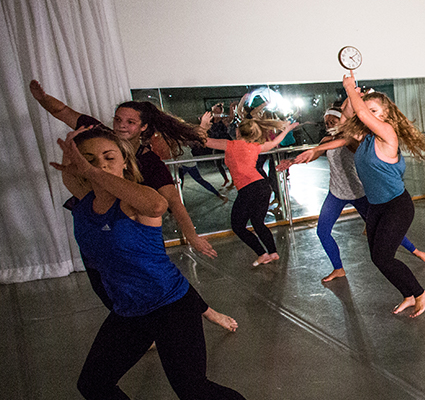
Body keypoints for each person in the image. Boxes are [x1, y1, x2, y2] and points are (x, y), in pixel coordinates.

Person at [29, 81, 238, 332]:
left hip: (134, 228)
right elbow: (63, 111)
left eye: (130, 122)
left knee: (161, 278)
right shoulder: (101, 137)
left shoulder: (149, 162)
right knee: (104, 281)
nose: (121, 126)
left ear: (143, 127)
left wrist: (191, 235)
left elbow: (171, 201)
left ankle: (207, 311)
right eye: (118, 120)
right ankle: (137, 327)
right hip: (98, 223)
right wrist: (42, 98)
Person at [52, 126, 244, 400]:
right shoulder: (85, 201)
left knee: (193, 390)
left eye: (109, 157)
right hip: (128, 311)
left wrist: (93, 171)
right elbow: (71, 175)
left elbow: (158, 206)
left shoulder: (136, 201)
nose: (101, 165)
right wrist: (71, 157)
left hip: (171, 308)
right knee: (93, 384)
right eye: (90, 159)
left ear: (124, 161)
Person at [292, 71, 425, 317]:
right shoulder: (366, 137)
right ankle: (409, 295)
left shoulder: (388, 136)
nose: (368, 115)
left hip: (396, 205)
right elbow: (350, 121)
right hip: (376, 206)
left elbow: (359, 113)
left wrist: (350, 88)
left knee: (383, 257)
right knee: (377, 257)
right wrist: (315, 151)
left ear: (385, 115)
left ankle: (421, 293)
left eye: (374, 112)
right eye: (367, 110)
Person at [279, 106, 425, 283]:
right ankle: (338, 269)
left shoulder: (355, 140)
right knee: (323, 231)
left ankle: (415, 251)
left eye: (333, 122)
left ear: (342, 121)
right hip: (336, 192)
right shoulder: (326, 140)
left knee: (386, 230)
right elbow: (315, 154)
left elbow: (344, 141)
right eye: (326, 122)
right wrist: (293, 161)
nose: (329, 125)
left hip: (359, 192)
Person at [199, 110, 297, 267]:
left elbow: (203, 140)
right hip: (263, 186)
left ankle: (263, 254)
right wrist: (287, 129)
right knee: (258, 223)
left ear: (237, 132)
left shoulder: (230, 145)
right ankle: (273, 252)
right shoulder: (255, 146)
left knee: (238, 226)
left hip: (249, 189)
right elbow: (273, 143)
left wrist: (203, 124)